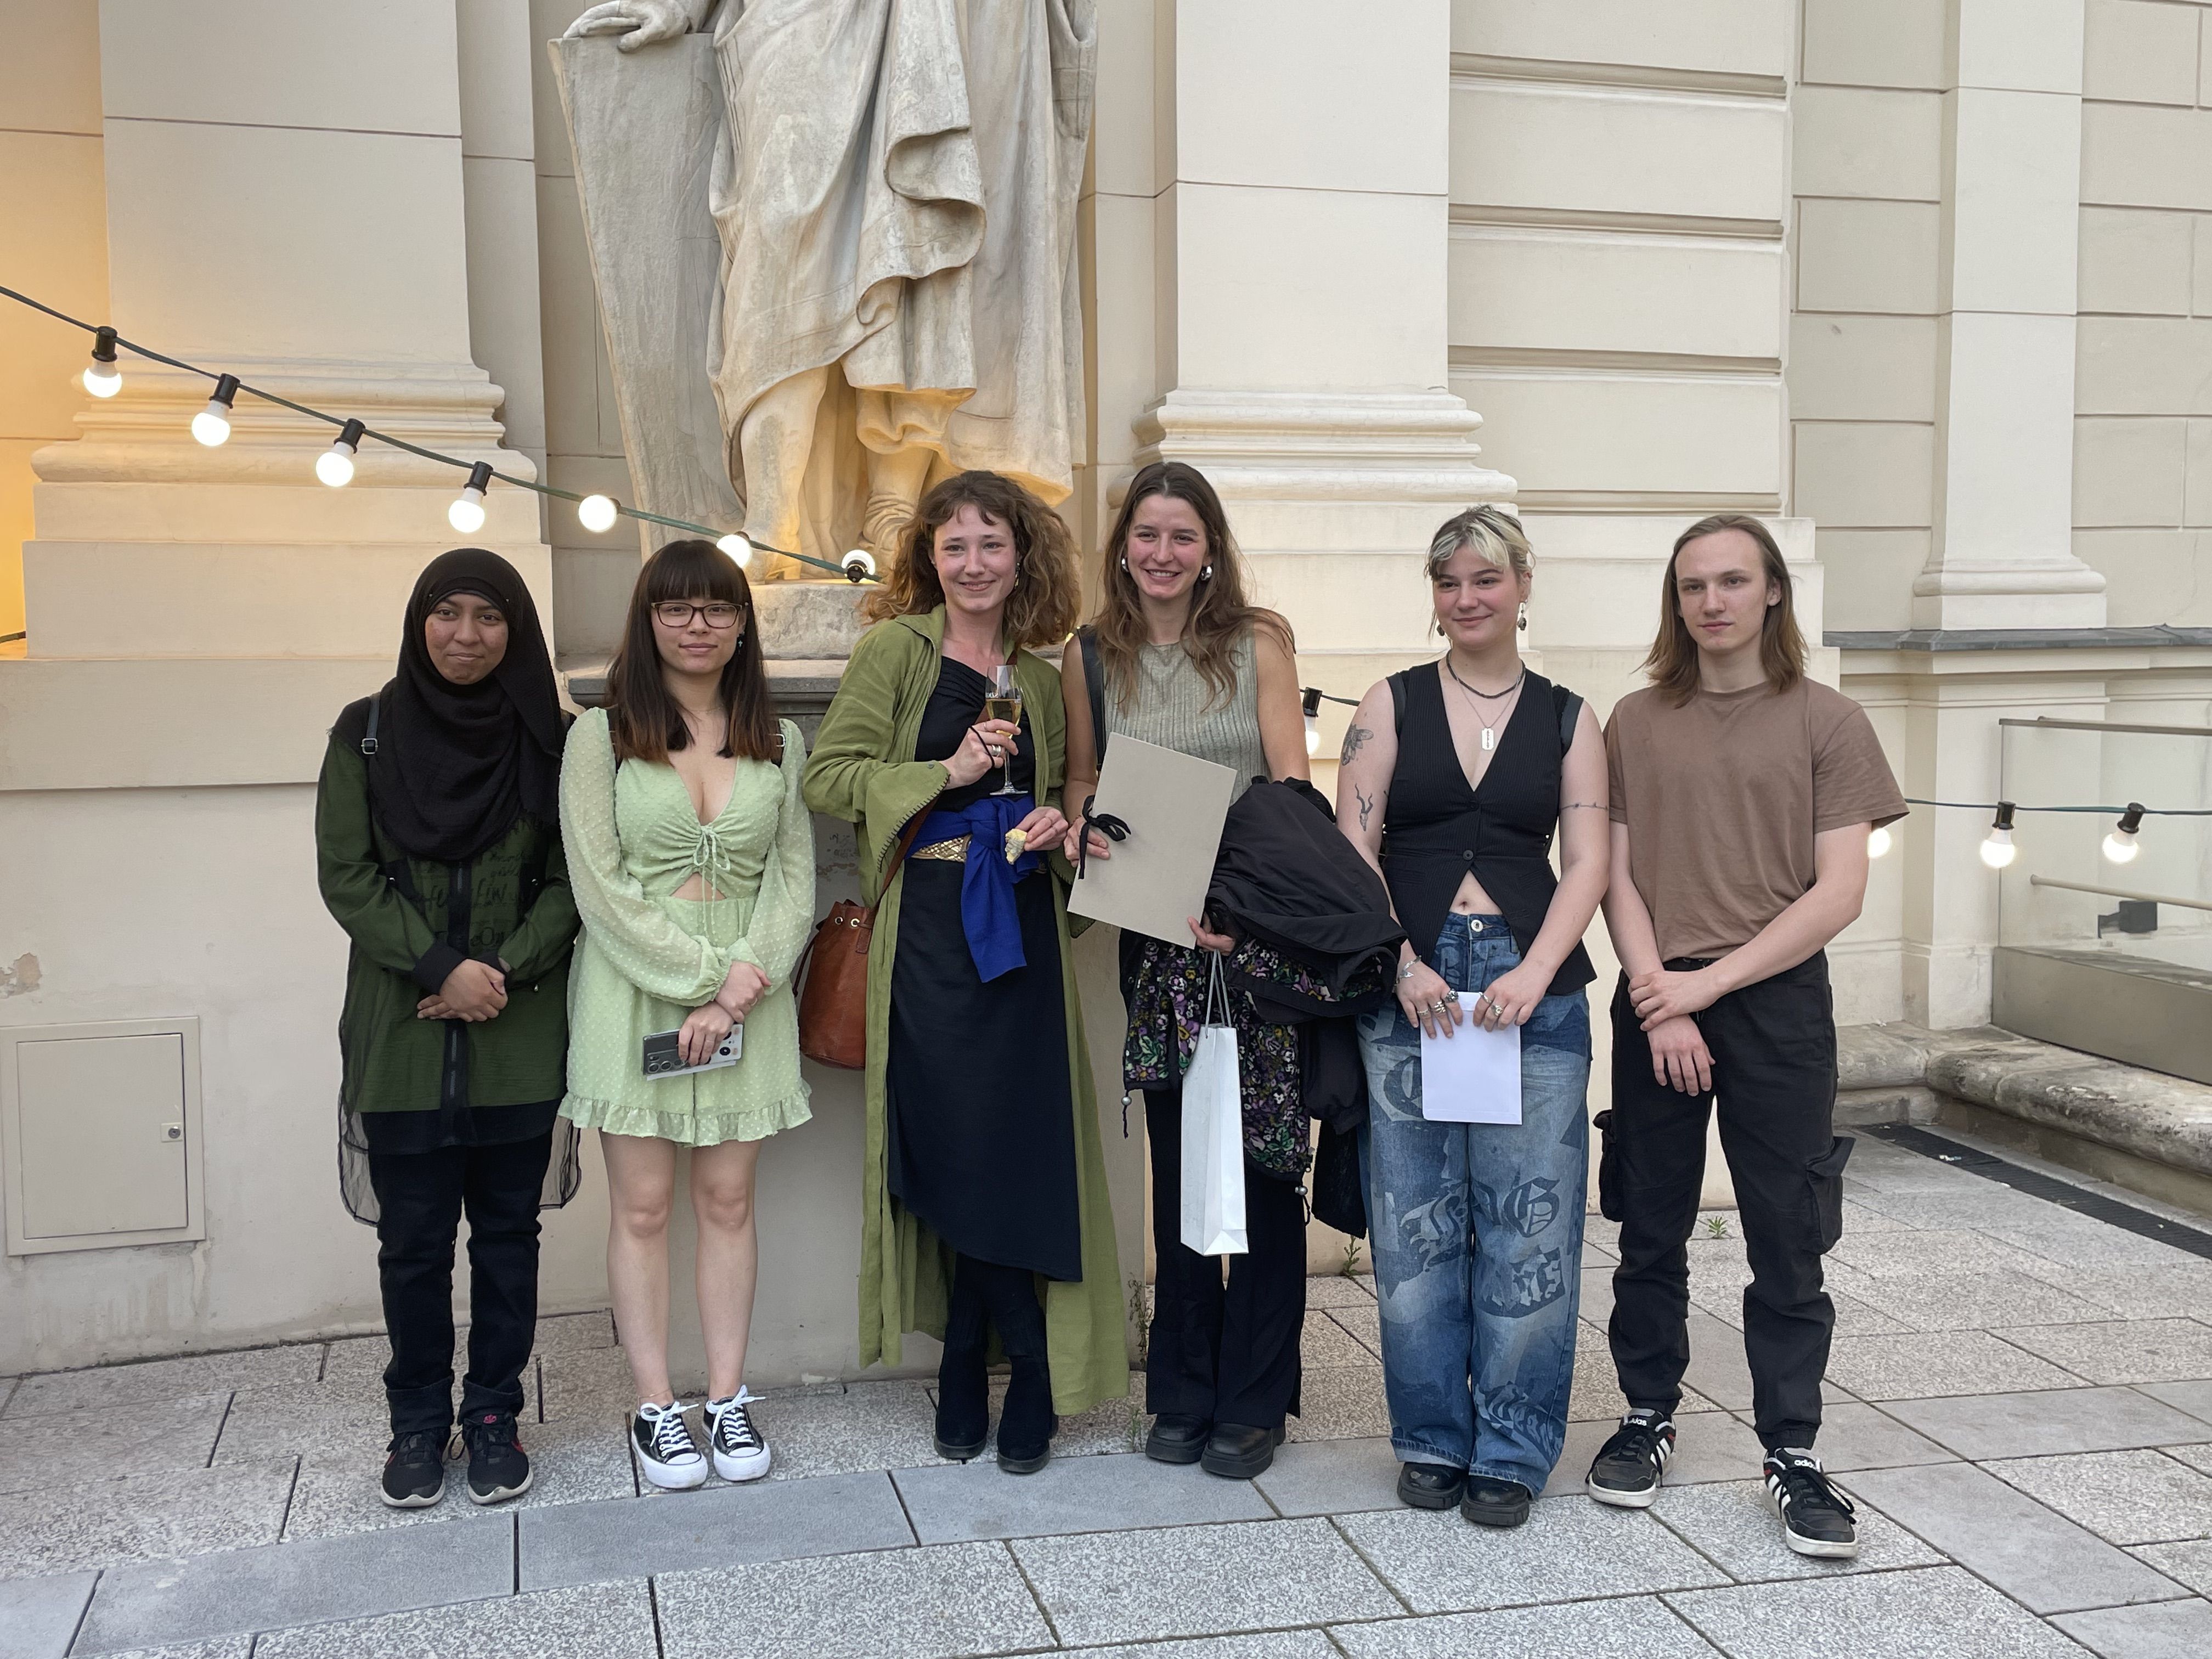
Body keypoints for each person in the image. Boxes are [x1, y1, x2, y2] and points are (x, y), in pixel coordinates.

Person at [1590, 514, 1904, 1559]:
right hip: (1657, 995)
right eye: (1692, 586)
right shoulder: (1634, 721)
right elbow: (1614, 875)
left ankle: (1792, 1452)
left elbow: (1840, 892)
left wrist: (1709, 988)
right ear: (1675, 602)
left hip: (1776, 1003)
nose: (1711, 602)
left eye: (1732, 581)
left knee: (1786, 1234)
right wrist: (1664, 996)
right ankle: (1646, 1415)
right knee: (1650, 1223)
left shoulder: (1830, 721)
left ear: (1773, 591)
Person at [805, 470, 1125, 1474]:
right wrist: (947, 773)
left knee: (1018, 1152)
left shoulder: (1041, 676)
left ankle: (977, 1369)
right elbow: (827, 777)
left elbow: (1059, 800)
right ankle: (1017, 1363)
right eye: (955, 546)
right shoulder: (897, 651)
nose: (975, 563)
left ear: (1022, 557)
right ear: (930, 560)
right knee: (953, 1145)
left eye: (993, 544)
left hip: (1023, 931)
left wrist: (1055, 829)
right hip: (932, 935)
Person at [1332, 506, 1607, 1529]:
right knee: (1417, 1224)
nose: (1466, 598)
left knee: (1530, 1222)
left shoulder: (1571, 717)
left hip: (1530, 988)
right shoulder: (1392, 703)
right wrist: (1399, 959)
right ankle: (1432, 1437)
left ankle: (1515, 1444)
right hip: (1412, 985)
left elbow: (1590, 861)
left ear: (1523, 585)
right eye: (1448, 582)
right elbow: (1351, 847)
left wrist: (1537, 970)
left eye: (1485, 578)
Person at [1063, 459, 1312, 1480]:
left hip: (1251, 938)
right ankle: (1182, 1387)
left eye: (1182, 536)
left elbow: (1291, 788)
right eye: (1147, 534)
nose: (1162, 553)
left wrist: (1240, 910)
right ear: (1123, 546)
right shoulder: (1089, 655)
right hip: (1158, 938)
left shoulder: (1258, 644)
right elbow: (1084, 781)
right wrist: (1087, 829)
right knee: (1178, 1162)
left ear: (1210, 550)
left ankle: (1255, 1398)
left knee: (1262, 1164)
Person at [316, 549, 579, 1511]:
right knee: (415, 1245)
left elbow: (576, 877)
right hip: (403, 1032)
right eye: (446, 612)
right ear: (417, 621)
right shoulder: (365, 733)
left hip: (517, 1029)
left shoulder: (555, 739)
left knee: (509, 1238)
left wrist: (498, 971)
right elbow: (347, 877)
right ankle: (419, 1422)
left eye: (490, 616)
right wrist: (441, 969)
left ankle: (496, 1413)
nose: (466, 635)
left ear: (518, 631)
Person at [558, 539, 816, 1491]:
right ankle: (655, 1404)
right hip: (634, 995)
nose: (697, 625)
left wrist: (741, 984)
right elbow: (601, 886)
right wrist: (706, 979)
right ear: (649, 620)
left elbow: (792, 880)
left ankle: (728, 1396)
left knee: (728, 1201)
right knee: (642, 1205)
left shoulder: (778, 740)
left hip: (752, 998)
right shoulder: (600, 737)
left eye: (716, 607)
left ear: (743, 624)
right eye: (677, 608)